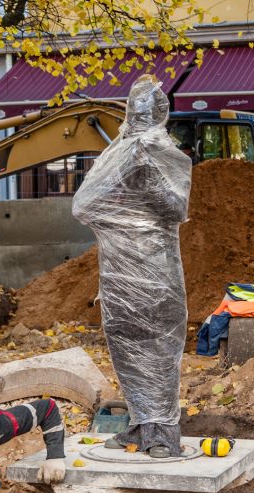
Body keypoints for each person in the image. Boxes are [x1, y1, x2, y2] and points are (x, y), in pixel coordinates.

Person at [71, 75, 192, 458]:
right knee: (126, 350)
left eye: (146, 110)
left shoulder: (167, 154)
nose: (140, 115)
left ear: (158, 115)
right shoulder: (118, 155)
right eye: (136, 109)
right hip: (119, 273)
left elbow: (176, 209)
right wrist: (125, 171)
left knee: (158, 350)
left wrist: (148, 172)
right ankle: (141, 426)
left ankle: (164, 434)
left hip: (157, 272)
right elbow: (84, 206)